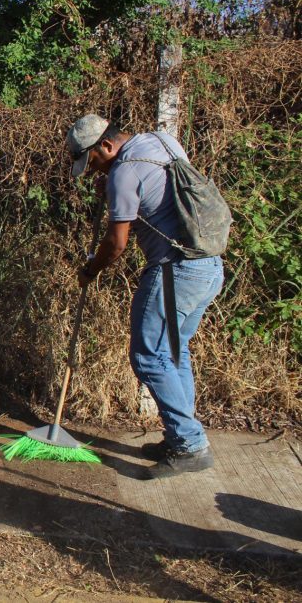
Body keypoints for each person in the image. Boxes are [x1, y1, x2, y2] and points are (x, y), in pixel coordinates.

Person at [66, 115, 224, 479]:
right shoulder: (161, 141)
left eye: (92, 163)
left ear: (105, 146)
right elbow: (160, 193)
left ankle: (189, 443)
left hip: (174, 271)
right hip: (207, 266)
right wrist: (112, 184)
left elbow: (116, 243)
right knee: (172, 351)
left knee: (150, 357)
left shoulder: (123, 174)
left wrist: (91, 270)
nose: (91, 171)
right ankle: (181, 437)